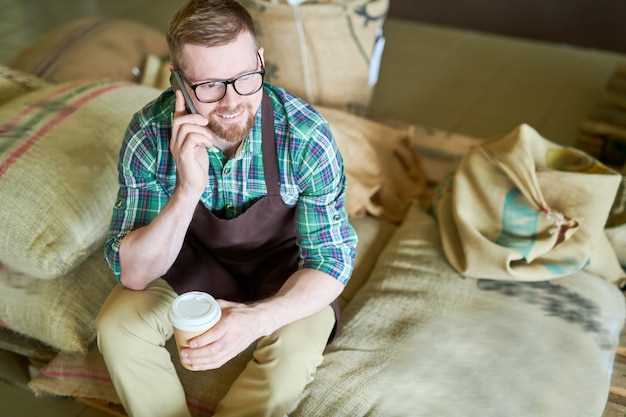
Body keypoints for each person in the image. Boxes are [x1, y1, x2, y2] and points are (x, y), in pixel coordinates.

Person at [95, 1, 358, 416]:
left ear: (260, 61)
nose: (232, 101)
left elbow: (331, 262)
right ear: (179, 83)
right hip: (190, 266)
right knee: (117, 326)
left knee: (297, 348)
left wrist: (258, 320)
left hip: (284, 270)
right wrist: (187, 188)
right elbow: (136, 273)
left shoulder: (306, 136)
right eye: (210, 86)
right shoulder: (148, 136)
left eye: (244, 79)